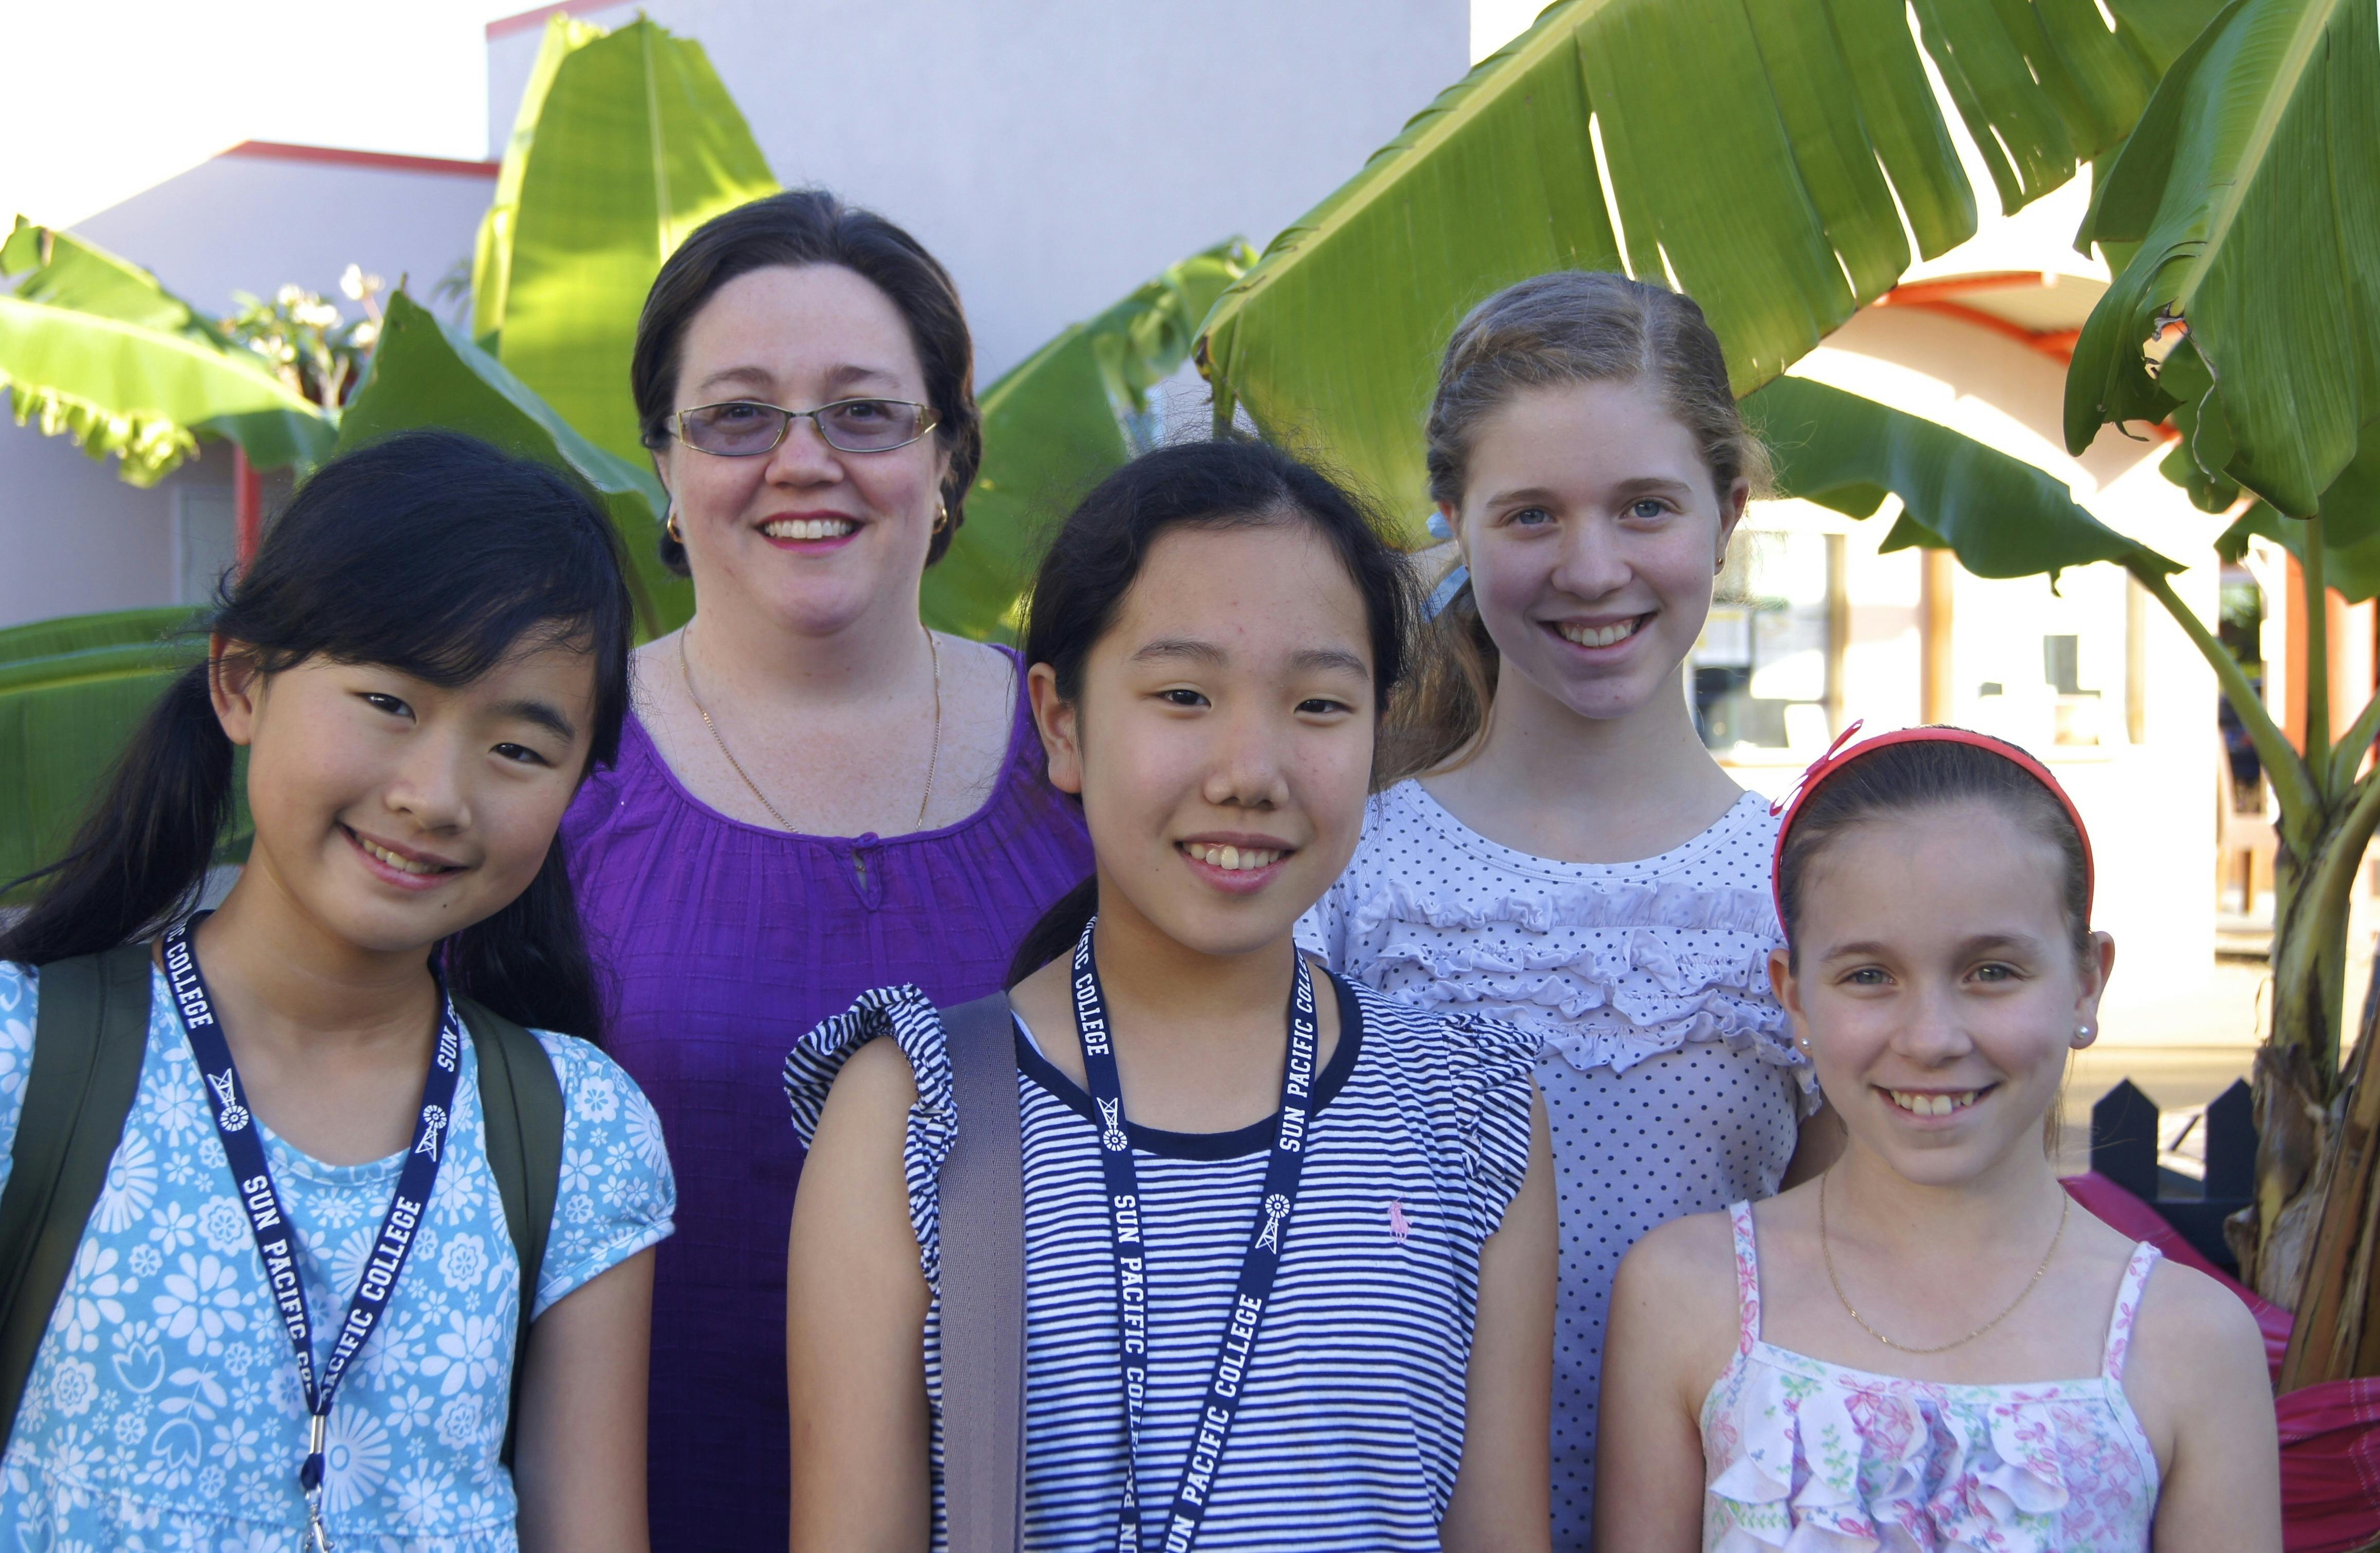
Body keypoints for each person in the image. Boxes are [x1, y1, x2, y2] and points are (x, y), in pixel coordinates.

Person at [783, 439, 1559, 1550]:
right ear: (1062, 724)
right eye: (1184, 695)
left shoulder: (1468, 1108)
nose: (1250, 772)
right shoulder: (911, 1110)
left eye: (1320, 704)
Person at [0, 431, 675, 1551]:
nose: (435, 796)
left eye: (518, 749)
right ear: (241, 681)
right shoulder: (23, 1057)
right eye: (389, 701)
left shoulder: (579, 1130)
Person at [562, 189, 1094, 1548]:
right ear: (665, 464)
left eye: (864, 414)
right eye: (738, 417)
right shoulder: (554, 764)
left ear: (947, 455)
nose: (803, 462)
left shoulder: (1086, 758)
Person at [1297, 269, 1839, 1544]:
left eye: (1646, 506)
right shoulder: (1347, 880)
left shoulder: (1808, 892)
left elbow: (1851, 1281)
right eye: (1532, 514)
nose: (1592, 569)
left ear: (1730, 513)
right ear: (1454, 522)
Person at [1596, 729, 2280, 1552]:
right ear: (1795, 997)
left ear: (2085, 983)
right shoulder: (1687, 1295)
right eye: (1868, 975)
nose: (1930, 1038)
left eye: (1991, 971)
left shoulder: (2190, 1340)